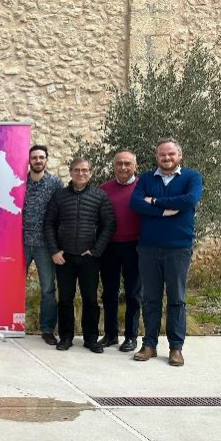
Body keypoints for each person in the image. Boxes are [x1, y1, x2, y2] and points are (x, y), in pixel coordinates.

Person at [129, 139, 202, 367]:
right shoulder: (146, 179)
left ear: (179, 155)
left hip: (178, 248)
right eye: (162, 154)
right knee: (150, 299)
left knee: (176, 299)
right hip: (148, 247)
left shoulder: (192, 177)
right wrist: (163, 211)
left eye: (171, 154)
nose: (166, 158)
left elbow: (189, 200)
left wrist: (155, 201)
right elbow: (136, 203)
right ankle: (149, 344)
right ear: (157, 157)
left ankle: (175, 348)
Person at [43, 158, 116, 353]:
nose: (80, 173)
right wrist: (54, 250)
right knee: (65, 299)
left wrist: (96, 250)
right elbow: (48, 223)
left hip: (89, 257)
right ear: (71, 172)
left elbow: (109, 224)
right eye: (76, 170)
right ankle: (66, 337)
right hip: (64, 257)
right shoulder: (59, 196)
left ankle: (90, 338)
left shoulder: (99, 195)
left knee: (90, 299)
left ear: (90, 173)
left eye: (84, 170)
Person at [99, 150, 142, 352]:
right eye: (119, 164)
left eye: (127, 163)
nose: (123, 167)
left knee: (133, 293)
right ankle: (110, 335)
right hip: (110, 247)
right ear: (114, 166)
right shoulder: (104, 189)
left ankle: (131, 337)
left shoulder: (143, 187)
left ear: (135, 166)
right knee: (109, 292)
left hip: (135, 246)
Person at [23, 145, 63, 345]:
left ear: (46, 160)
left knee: (47, 289)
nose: (38, 160)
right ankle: (9, 323)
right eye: (34, 157)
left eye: (41, 157)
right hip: (19, 243)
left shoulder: (55, 183)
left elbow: (61, 213)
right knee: (12, 286)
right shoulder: (19, 182)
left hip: (45, 245)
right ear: (29, 160)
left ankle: (47, 329)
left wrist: (58, 245)